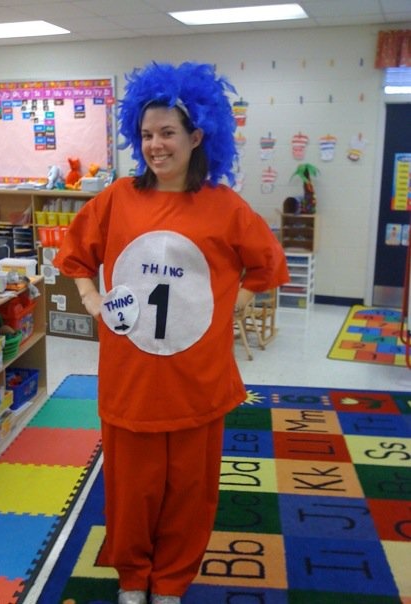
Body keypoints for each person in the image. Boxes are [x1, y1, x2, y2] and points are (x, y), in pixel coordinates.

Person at [53, 61, 289, 604]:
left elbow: (267, 266)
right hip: (131, 376)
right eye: (146, 134)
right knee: (132, 491)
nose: (155, 145)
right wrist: (92, 300)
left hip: (197, 379)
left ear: (197, 136)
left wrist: (228, 307)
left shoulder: (224, 206)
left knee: (190, 491)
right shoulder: (117, 198)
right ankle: (134, 577)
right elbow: (74, 255)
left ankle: (173, 582)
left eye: (168, 133)